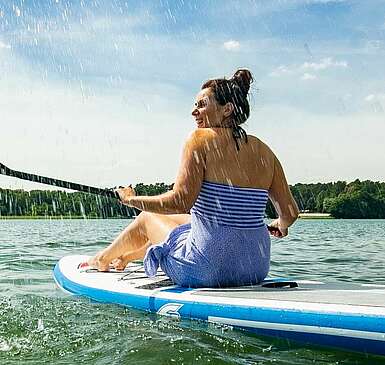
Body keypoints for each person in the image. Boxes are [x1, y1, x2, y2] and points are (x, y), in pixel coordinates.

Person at [87, 69, 299, 287]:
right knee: (187, 224)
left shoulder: (199, 139)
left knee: (147, 217)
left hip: (207, 269)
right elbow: (290, 213)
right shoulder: (265, 151)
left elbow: (180, 202)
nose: (193, 112)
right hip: (255, 269)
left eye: (201, 105)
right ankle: (126, 256)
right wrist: (279, 224)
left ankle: (103, 259)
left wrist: (130, 199)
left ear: (227, 109)